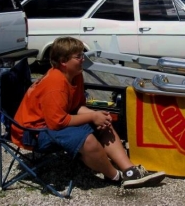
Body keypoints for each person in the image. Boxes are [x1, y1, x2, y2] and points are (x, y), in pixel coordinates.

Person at [11, 36, 165, 189]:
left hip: (52, 122)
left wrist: (98, 116)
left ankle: (130, 171)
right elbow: (57, 123)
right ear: (64, 61)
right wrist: (91, 116)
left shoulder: (75, 75)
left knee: (103, 123)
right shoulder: (55, 84)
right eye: (78, 56)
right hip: (32, 132)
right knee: (87, 139)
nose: (83, 59)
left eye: (82, 55)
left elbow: (77, 106)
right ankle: (116, 176)